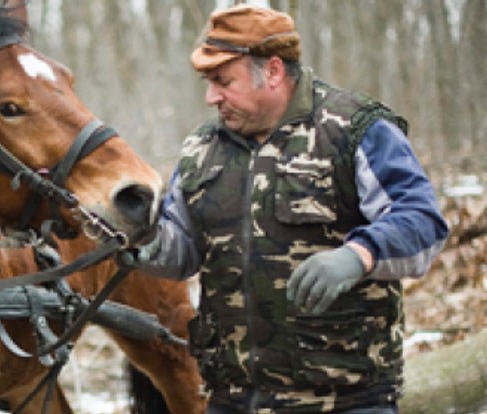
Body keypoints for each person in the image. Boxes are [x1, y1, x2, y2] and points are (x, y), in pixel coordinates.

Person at [130, 4, 449, 414]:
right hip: (232, 398)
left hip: (345, 399)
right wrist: (139, 234)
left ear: (274, 71)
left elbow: (423, 221)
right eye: (208, 83)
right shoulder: (202, 149)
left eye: (222, 81)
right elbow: (181, 252)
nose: (211, 97)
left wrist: (359, 255)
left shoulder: (353, 130)